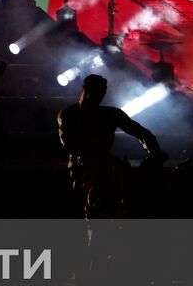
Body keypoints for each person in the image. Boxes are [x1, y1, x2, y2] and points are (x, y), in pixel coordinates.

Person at [57, 74, 168, 218]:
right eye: (98, 91)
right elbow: (70, 145)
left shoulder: (110, 114)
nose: (100, 95)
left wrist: (154, 151)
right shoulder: (68, 115)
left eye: (103, 92)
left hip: (104, 166)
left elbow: (139, 132)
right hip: (82, 168)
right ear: (86, 89)